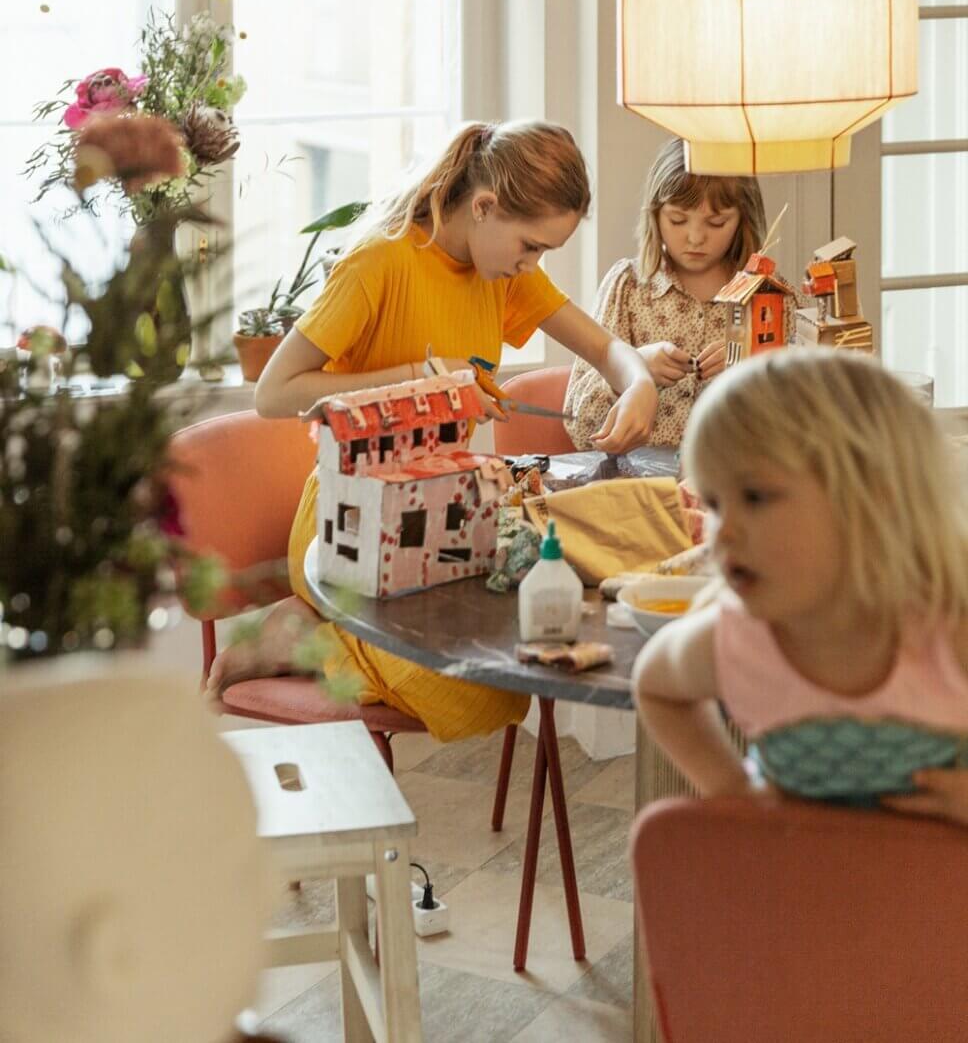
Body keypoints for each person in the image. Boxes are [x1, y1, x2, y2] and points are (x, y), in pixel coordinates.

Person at [208, 120, 659, 741]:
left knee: (508, 682)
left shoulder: (501, 272)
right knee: (472, 695)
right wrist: (419, 380)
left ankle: (322, 630)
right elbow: (274, 392)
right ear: (483, 207)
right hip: (353, 514)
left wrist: (638, 385)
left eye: (543, 255)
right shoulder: (378, 265)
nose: (531, 265)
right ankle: (301, 639)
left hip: (442, 509)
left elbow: (610, 350)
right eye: (530, 247)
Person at [634, 348, 968, 819]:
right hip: (804, 884)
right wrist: (729, 787)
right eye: (714, 503)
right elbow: (656, 686)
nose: (722, 532)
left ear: (872, 499)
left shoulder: (950, 626)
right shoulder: (738, 638)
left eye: (754, 497)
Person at [564, 137, 798, 451]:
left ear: (742, 219)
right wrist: (634, 370)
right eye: (678, 219)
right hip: (639, 488)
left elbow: (806, 420)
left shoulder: (770, 296)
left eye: (716, 223)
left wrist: (753, 369)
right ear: (656, 216)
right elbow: (579, 424)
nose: (695, 237)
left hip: (735, 486)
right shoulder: (628, 287)